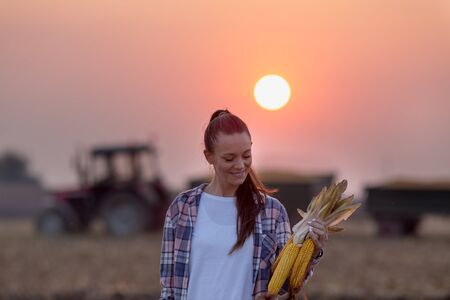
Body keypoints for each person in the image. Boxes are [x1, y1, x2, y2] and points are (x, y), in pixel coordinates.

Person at [159, 109, 328, 300]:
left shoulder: (271, 212)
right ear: (209, 157)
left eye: (246, 155)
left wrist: (313, 251)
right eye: (229, 158)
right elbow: (169, 289)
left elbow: (286, 285)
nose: (240, 165)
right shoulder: (181, 208)